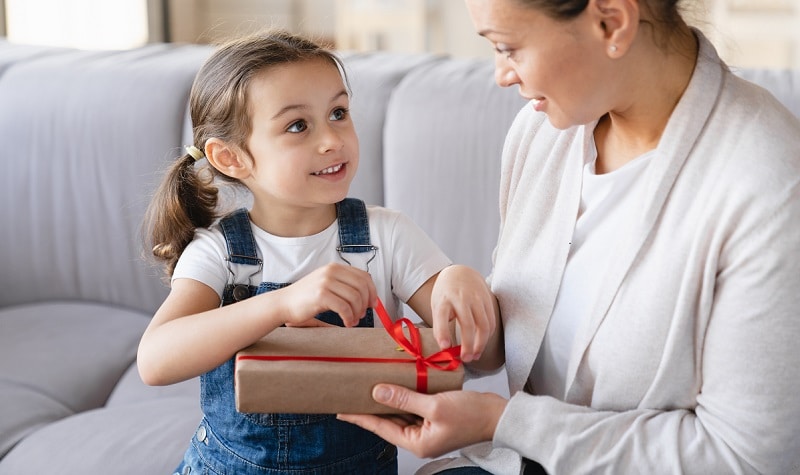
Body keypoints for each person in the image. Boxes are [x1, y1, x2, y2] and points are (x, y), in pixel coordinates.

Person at [338, 0, 800, 473]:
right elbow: (527, 331)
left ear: (611, 21)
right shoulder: (545, 133)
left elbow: (747, 459)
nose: (502, 74)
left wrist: (501, 422)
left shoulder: (767, 184)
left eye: (508, 47)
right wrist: (470, 306)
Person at [136, 30, 497, 475]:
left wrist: (462, 279)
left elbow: (488, 356)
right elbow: (155, 361)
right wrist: (282, 303)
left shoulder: (388, 236)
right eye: (297, 125)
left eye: (339, 113)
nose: (331, 139)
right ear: (231, 159)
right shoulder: (219, 253)